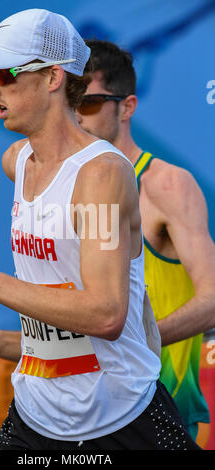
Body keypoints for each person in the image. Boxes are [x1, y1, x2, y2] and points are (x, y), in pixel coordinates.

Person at [0, 9, 200, 450]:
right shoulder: (17, 161)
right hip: (34, 417)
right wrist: (3, 340)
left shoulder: (102, 175)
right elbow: (58, 305)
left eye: (4, 74)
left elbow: (105, 314)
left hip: (118, 420)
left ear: (53, 77)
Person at [75, 39, 215, 440]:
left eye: (88, 102)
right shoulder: (63, 187)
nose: (76, 116)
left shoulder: (166, 184)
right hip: (82, 411)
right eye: (70, 104)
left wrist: (139, 341)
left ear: (127, 107)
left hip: (159, 413)